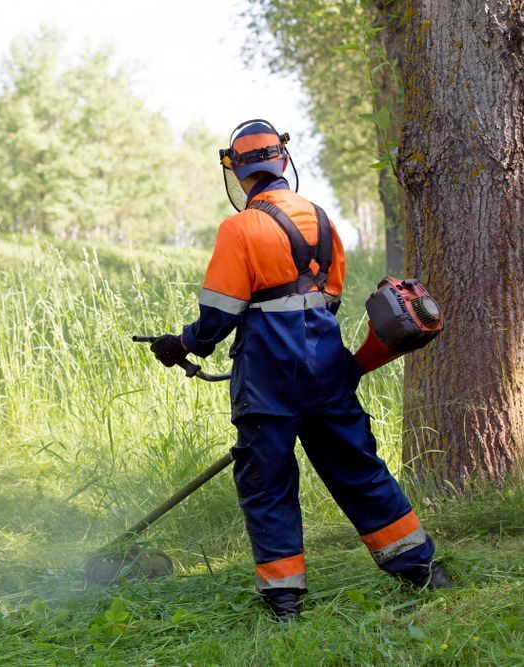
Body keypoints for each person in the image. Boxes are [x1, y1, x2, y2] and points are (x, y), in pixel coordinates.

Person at [150, 120, 450, 620]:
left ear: (239, 173)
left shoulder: (240, 228)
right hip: (327, 368)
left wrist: (180, 343)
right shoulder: (322, 219)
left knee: (268, 484)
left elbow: (218, 319)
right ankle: (422, 570)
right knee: (359, 470)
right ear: (283, 162)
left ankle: (285, 601)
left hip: (268, 377)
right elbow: (328, 298)